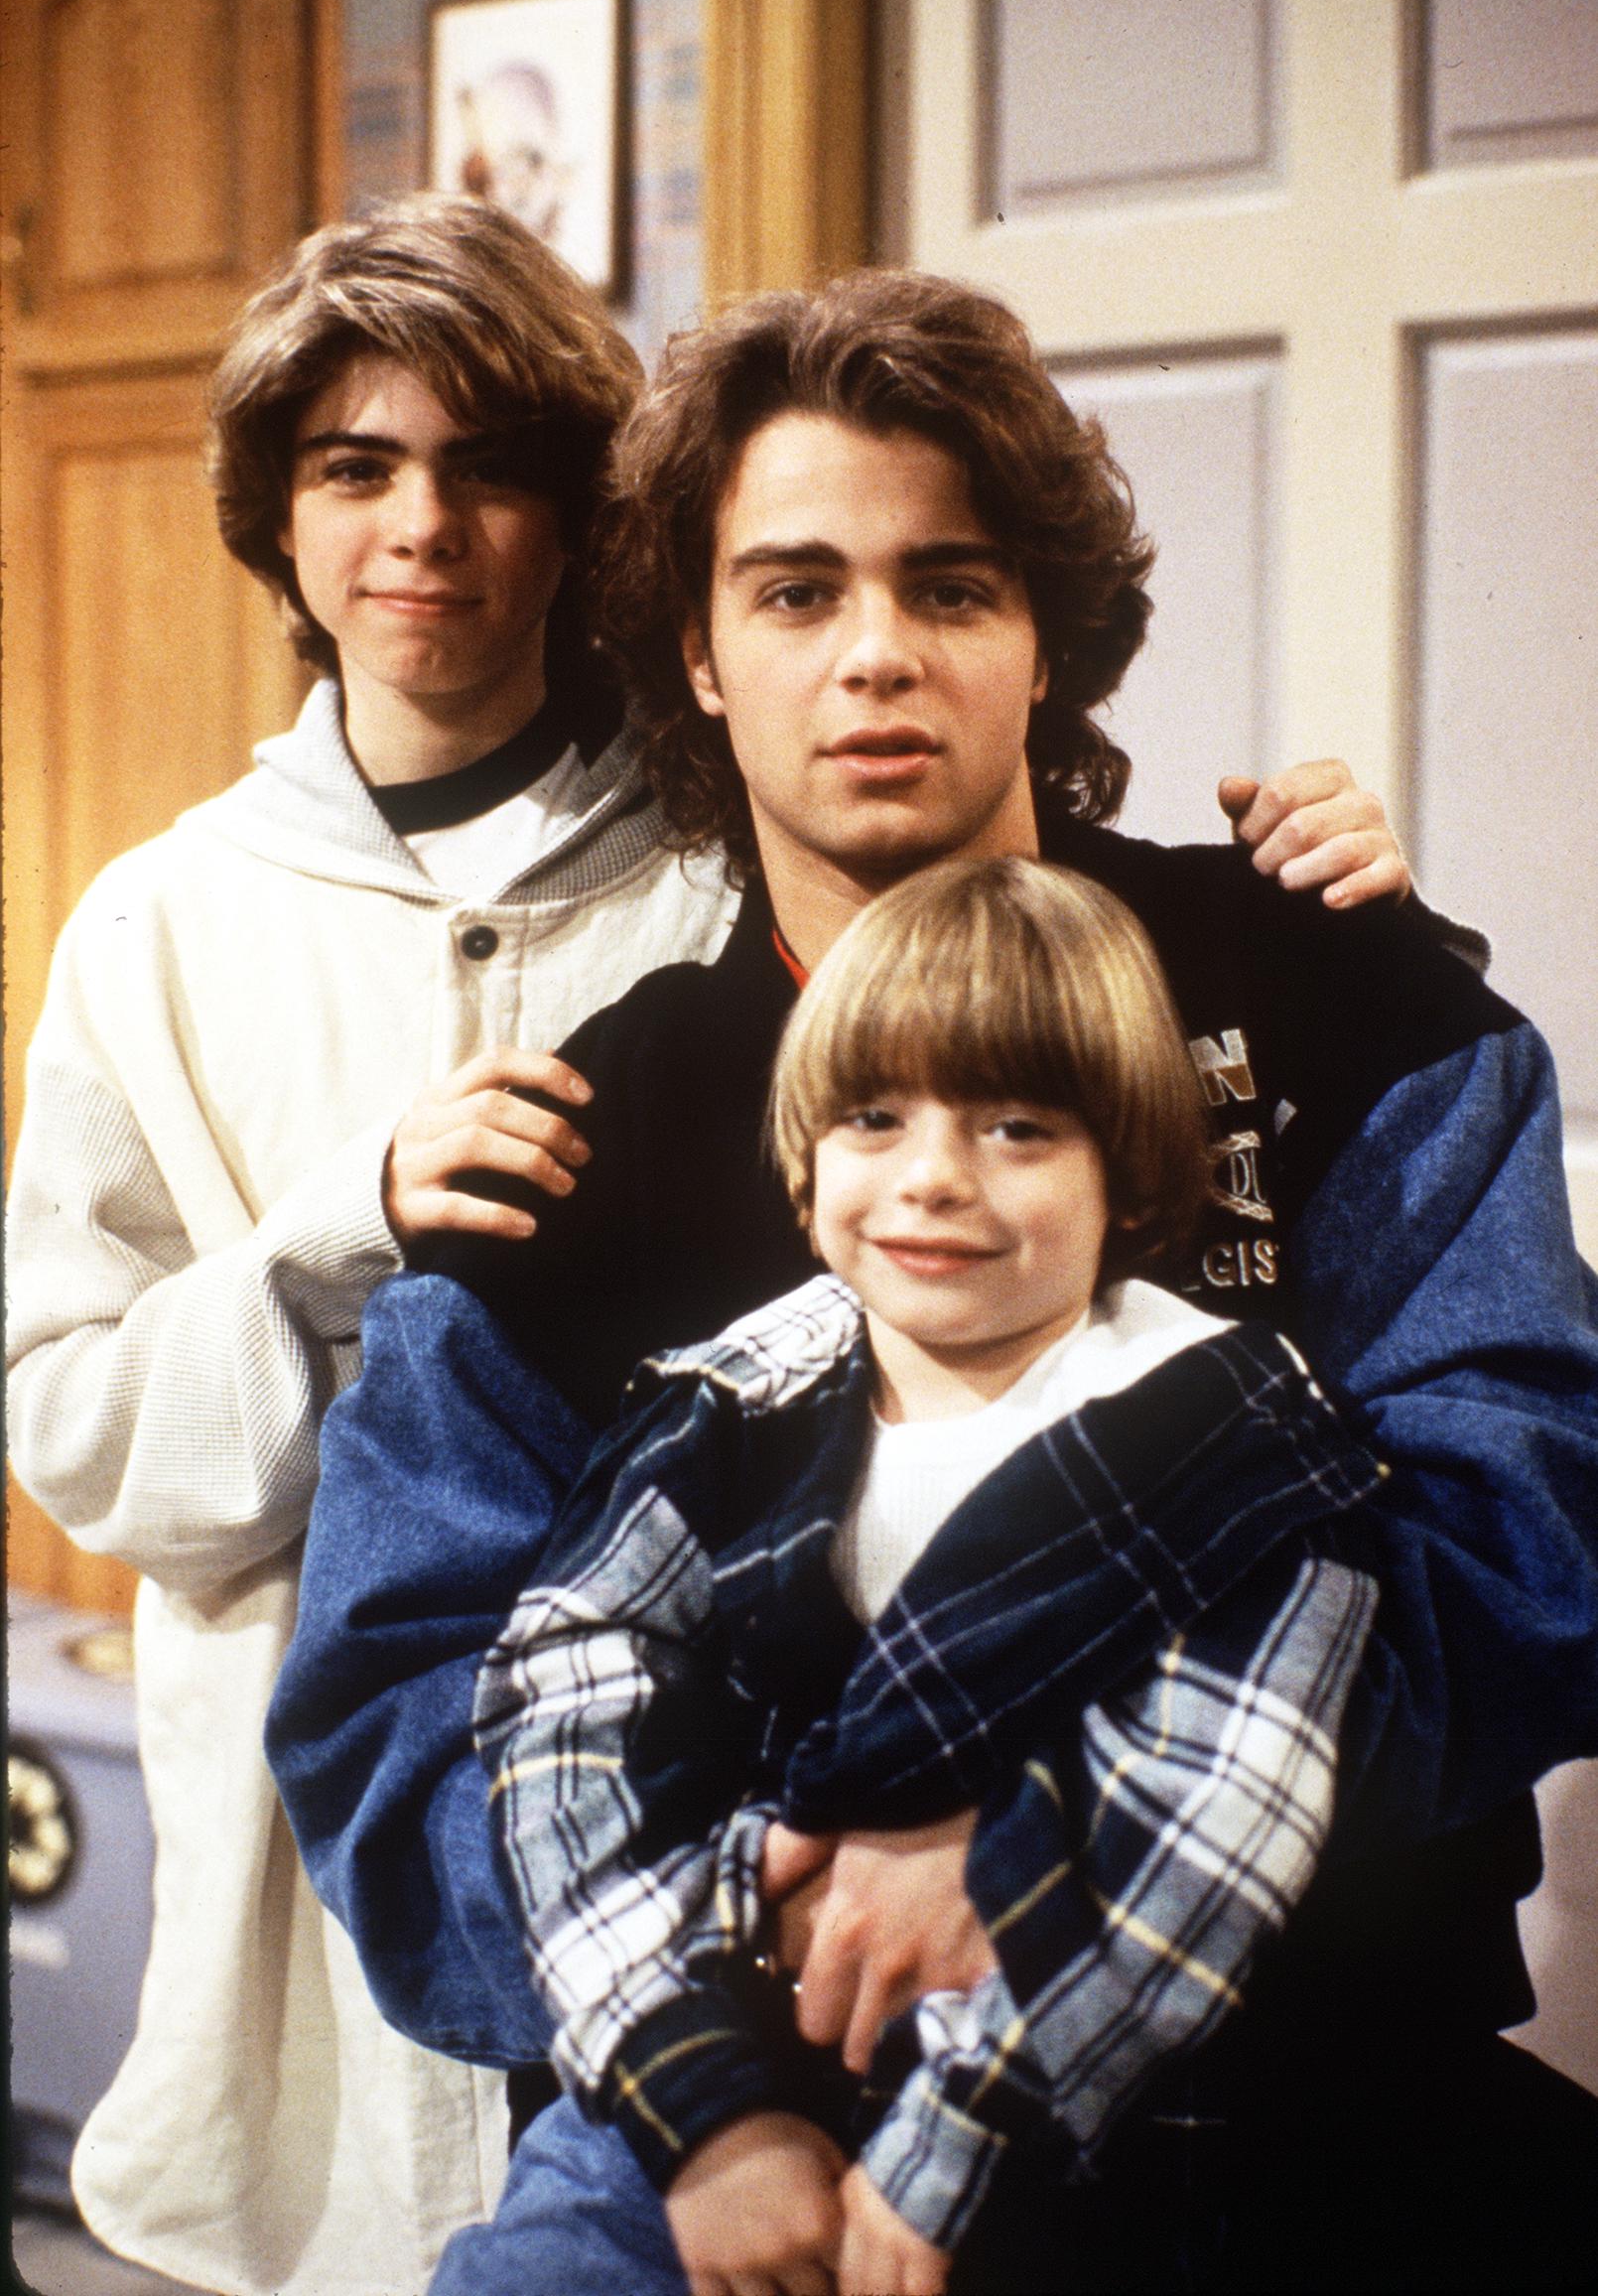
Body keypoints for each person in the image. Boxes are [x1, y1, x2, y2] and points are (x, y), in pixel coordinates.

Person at [268, 269, 1598, 2285]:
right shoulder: (567, 1151)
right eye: (794, 592)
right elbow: (395, 1720)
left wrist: (1040, 1860)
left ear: (1045, 636)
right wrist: (747, 1955)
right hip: (740, 2139)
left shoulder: (1336, 990)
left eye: (950, 586)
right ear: (695, 659)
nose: (874, 655)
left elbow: (1531, 1520)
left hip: (1303, 2088)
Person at [1, 194, 738, 2296]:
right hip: (301, 1902)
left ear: (578, 511)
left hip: (679, 1829)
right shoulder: (160, 923)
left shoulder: (707, 870)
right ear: (281, 519)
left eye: (487, 464)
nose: (421, 526)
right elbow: (70, 1428)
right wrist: (333, 1238)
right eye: (356, 467)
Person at [445, 856, 1388, 2296]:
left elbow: (1204, 1829)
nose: (933, 1178)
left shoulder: (1231, 1436)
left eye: (1016, 1127)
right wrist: (702, 2111)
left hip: (1054, 2109)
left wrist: (950, 2148)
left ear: (1127, 1177)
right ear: (805, 1158)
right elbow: (564, 1703)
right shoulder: (724, 1401)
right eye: (872, 1119)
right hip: (701, 2048)